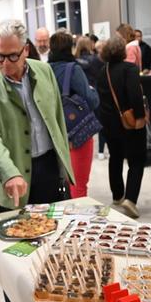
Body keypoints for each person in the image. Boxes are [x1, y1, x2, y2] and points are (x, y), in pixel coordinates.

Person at [0, 19, 73, 302]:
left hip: (49, 170)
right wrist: (10, 173)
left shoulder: (43, 72)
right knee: (18, 253)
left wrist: (64, 162)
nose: (3, 63)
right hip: (13, 181)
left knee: (58, 244)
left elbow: (56, 117)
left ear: (26, 50)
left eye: (11, 56)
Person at [95, 36, 147, 218]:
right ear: (123, 51)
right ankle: (131, 199)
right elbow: (135, 96)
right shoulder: (130, 69)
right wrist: (140, 117)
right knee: (137, 160)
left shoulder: (103, 71)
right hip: (129, 123)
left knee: (115, 157)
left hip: (109, 123)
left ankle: (117, 195)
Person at [49, 30, 99, 198]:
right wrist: (93, 91)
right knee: (78, 183)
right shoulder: (73, 69)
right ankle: (79, 221)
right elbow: (91, 100)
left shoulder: (44, 70)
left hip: (53, 132)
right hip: (77, 133)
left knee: (60, 183)